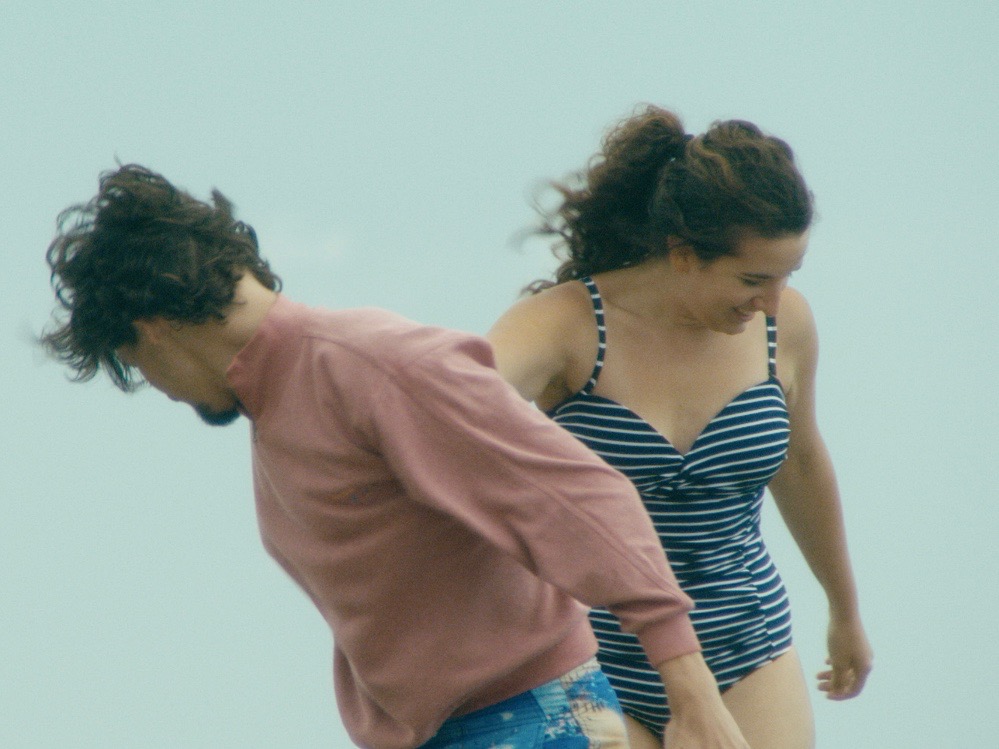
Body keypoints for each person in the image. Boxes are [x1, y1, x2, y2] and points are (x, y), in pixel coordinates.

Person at [41, 164, 753, 749]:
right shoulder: (279, 404)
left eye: (135, 363)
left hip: (536, 720)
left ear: (153, 328)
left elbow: (582, 497)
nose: (161, 391)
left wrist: (693, 700)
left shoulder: (372, 365)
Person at [486, 106, 873, 749]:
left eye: (787, 277)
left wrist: (844, 610)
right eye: (753, 279)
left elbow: (802, 464)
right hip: (591, 659)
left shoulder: (785, 326)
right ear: (683, 254)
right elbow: (448, 415)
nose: (771, 301)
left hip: (748, 647)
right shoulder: (564, 325)